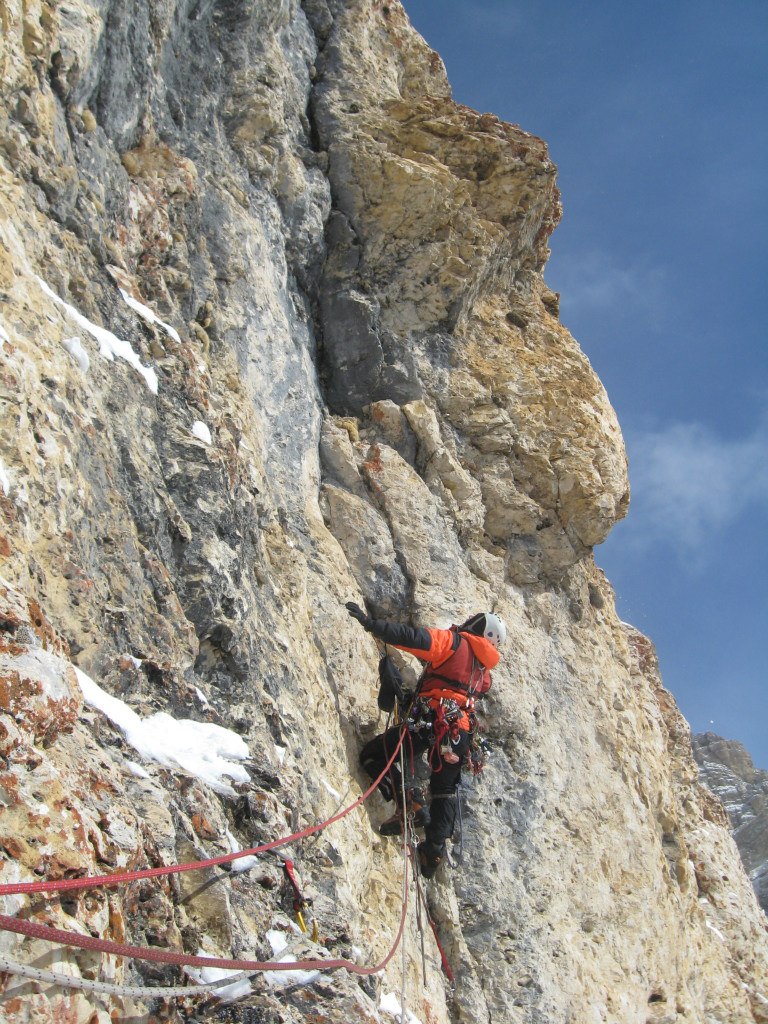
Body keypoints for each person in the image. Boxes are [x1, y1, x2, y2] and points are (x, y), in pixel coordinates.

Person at [346, 603, 506, 878]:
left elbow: (414, 638)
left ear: (476, 627)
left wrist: (373, 625)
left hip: (432, 719)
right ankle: (433, 852)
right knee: (444, 790)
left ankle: (412, 806)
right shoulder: (484, 673)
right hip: (460, 733)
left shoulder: (455, 643)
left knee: (376, 755)